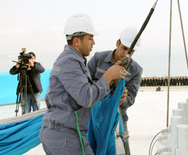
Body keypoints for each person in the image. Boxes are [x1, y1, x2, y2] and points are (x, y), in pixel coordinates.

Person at [39, 14, 126, 155]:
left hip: (63, 135)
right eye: (90, 38)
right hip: (66, 137)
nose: (94, 43)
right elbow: (86, 97)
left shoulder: (74, 60)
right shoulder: (69, 62)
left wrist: (111, 95)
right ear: (76, 41)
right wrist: (109, 75)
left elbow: (84, 93)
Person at [87, 26, 143, 154]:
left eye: (131, 51)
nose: (126, 54)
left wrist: (123, 99)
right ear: (117, 43)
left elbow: (131, 98)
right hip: (93, 118)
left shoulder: (136, 70)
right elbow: (84, 85)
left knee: (121, 150)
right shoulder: (98, 59)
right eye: (124, 48)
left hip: (118, 119)